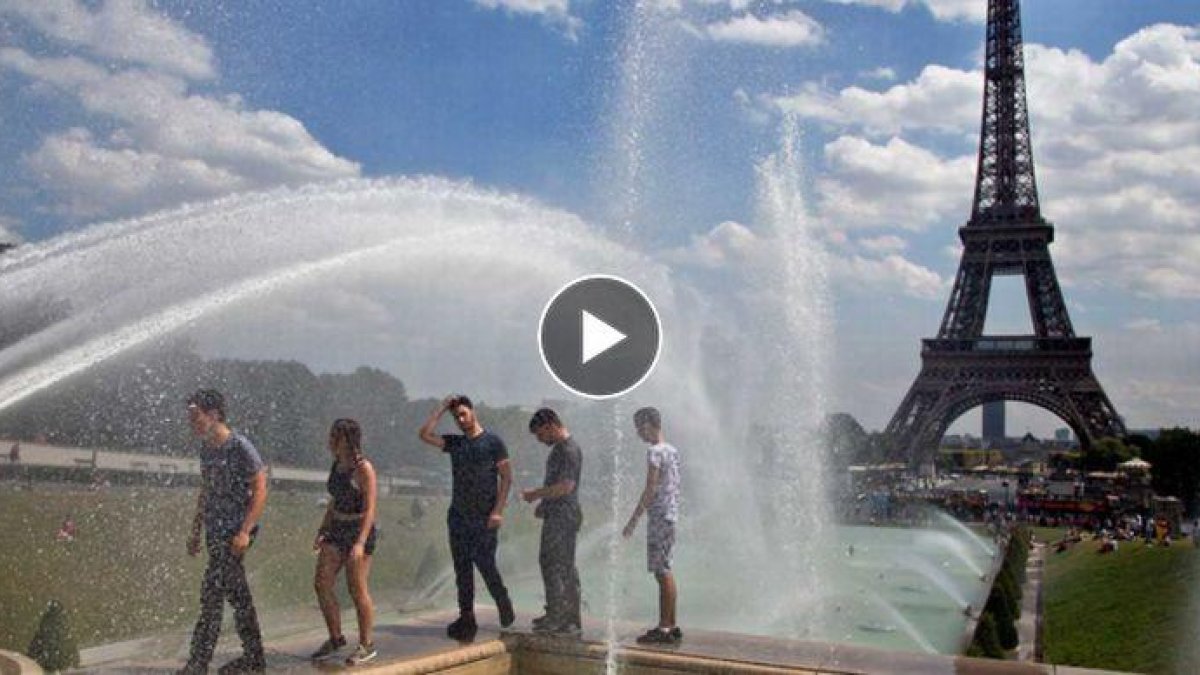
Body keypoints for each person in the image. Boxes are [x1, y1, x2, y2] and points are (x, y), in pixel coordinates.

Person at [179, 389, 268, 675]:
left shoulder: (240, 446)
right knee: (235, 593)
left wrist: (245, 531)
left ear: (214, 414)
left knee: (212, 594)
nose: (192, 422)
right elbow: (205, 492)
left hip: (235, 533)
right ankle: (254, 659)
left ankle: (199, 663)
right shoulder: (206, 449)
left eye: (196, 416)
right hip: (215, 533)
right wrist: (195, 530)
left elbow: (261, 489)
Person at [418, 394, 515, 641]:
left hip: (484, 519)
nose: (460, 420)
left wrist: (497, 511)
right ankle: (467, 619)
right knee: (462, 570)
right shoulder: (456, 443)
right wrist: (441, 408)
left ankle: (504, 606)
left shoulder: (493, 442)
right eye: (456, 417)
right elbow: (425, 435)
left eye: (463, 414)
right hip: (458, 517)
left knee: (486, 566)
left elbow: (506, 478)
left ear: (473, 411)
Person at [310, 419, 379, 666]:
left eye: (334, 437)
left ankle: (366, 644)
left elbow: (371, 509)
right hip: (336, 529)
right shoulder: (337, 464)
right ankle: (336, 638)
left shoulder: (363, 468)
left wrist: (360, 544)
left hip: (358, 530)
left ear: (348, 440)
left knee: (356, 589)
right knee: (322, 583)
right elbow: (335, 500)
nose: (329, 441)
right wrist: (323, 528)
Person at [622, 407, 682, 645]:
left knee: (661, 571)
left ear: (648, 425)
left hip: (659, 517)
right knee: (665, 569)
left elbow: (650, 489)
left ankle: (665, 627)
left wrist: (633, 521)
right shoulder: (673, 450)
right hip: (670, 515)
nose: (638, 434)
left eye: (639, 428)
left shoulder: (655, 452)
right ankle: (671, 625)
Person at [521, 408, 583, 636]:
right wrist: (544, 505)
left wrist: (536, 494)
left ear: (550, 425)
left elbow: (566, 487)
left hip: (564, 517)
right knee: (552, 562)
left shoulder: (568, 450)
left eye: (540, 434)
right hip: (557, 513)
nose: (539, 440)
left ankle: (563, 618)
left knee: (559, 565)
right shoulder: (560, 449)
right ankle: (558, 613)